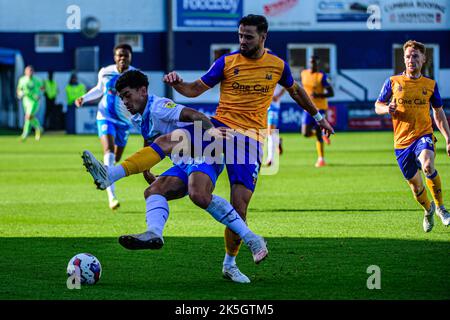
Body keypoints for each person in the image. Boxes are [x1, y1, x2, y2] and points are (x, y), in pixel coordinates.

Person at [83, 15, 333, 283]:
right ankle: (113, 177)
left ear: (263, 37)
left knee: (239, 206)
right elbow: (195, 89)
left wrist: (318, 118)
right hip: (219, 127)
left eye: (248, 36)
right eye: (240, 35)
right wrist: (179, 84)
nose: (242, 41)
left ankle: (230, 264)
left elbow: (295, 91)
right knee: (170, 150)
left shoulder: (277, 66)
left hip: (250, 140)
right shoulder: (226, 62)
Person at [81, 70, 268, 281]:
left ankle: (252, 239)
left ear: (142, 91)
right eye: (121, 96)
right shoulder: (138, 116)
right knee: (153, 191)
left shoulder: (159, 106)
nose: (124, 101)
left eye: (127, 94)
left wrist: (213, 132)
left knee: (198, 194)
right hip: (183, 162)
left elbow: (195, 115)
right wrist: (146, 167)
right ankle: (153, 232)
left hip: (205, 151)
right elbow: (151, 141)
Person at [375, 40, 450, 232]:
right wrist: (387, 108)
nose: (411, 60)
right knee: (416, 188)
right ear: (404, 59)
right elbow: (377, 106)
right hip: (401, 143)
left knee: (427, 164)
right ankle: (428, 209)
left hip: (423, 135)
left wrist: (448, 138)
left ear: (424, 59)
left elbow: (438, 113)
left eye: (415, 56)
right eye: (408, 56)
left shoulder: (430, 85)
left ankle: (441, 208)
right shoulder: (393, 82)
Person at [75, 44, 135, 210]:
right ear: (115, 57)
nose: (122, 58)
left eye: (126, 56)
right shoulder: (106, 72)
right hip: (105, 117)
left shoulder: (136, 75)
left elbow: (141, 98)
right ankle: (112, 196)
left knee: (116, 158)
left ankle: (104, 172)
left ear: (130, 58)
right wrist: (84, 98)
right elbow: (99, 89)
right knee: (108, 152)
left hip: (124, 122)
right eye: (119, 56)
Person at [300, 55, 334, 167]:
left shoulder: (322, 76)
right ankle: (323, 136)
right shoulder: (304, 73)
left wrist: (318, 95)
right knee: (305, 132)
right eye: (311, 62)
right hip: (308, 107)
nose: (312, 64)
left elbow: (331, 93)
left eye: (314, 62)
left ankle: (321, 159)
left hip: (320, 108)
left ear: (318, 63)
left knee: (319, 132)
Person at [16, 65, 44, 141]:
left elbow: (42, 88)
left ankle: (25, 134)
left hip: (34, 101)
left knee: (28, 116)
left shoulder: (37, 80)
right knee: (29, 117)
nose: (30, 72)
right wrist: (19, 94)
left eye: (31, 70)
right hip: (25, 101)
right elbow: (19, 89)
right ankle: (39, 128)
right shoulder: (22, 80)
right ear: (25, 72)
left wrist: (39, 95)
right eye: (28, 71)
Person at [265, 84, 285, 166]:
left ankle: (270, 158)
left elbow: (286, 86)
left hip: (273, 106)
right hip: (263, 106)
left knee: (270, 131)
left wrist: (278, 96)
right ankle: (278, 141)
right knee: (268, 132)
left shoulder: (277, 72)